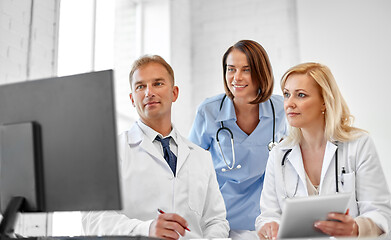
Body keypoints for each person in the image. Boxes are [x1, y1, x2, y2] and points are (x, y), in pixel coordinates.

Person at [82, 55, 229, 239]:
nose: (148, 92)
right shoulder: (112, 152)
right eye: (140, 86)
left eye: (158, 84)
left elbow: (215, 221)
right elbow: (93, 219)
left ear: (174, 93)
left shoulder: (201, 157)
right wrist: (145, 229)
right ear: (132, 98)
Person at [256, 62, 391, 239]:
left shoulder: (358, 145)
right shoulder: (278, 154)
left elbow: (380, 212)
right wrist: (268, 227)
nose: (289, 103)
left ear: (324, 102)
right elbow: (268, 215)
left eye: (301, 95)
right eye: (287, 95)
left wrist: (356, 228)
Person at [188, 40, 287, 239]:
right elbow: (190, 168)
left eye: (246, 70)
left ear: (261, 72)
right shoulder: (209, 110)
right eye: (231, 69)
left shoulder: (281, 109)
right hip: (221, 217)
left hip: (266, 215)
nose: (236, 77)